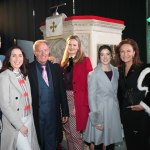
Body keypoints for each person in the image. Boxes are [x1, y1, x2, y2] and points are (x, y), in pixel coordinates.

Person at [28, 39, 69, 150]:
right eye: (40, 51)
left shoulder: (56, 68)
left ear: (49, 51)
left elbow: (62, 91)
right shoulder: (28, 69)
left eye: (45, 50)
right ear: (35, 53)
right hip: (36, 114)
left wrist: (65, 111)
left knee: (52, 143)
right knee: (38, 143)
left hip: (53, 114)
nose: (43, 53)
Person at [0, 46, 40, 150]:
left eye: (20, 55)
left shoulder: (24, 75)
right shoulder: (4, 76)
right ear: (9, 59)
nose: (17, 59)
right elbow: (4, 105)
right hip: (15, 122)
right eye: (14, 56)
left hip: (28, 118)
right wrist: (20, 126)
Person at [84, 45, 123, 150]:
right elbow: (91, 97)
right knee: (98, 142)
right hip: (100, 112)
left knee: (111, 143)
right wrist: (96, 119)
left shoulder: (116, 71)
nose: (105, 57)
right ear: (99, 57)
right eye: (102, 54)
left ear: (111, 56)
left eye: (107, 54)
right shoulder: (93, 74)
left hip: (113, 111)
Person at [60, 35, 93, 149]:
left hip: (76, 100)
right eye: (70, 44)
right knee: (68, 134)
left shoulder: (85, 61)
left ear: (79, 47)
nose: (72, 47)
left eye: (75, 45)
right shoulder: (63, 62)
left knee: (75, 134)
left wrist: (78, 105)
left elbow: (90, 85)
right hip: (64, 100)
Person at [116, 38, 150, 150]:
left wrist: (144, 105)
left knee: (141, 145)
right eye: (122, 51)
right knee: (130, 144)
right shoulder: (119, 70)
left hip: (141, 115)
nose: (125, 54)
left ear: (134, 52)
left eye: (128, 51)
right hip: (126, 114)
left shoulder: (143, 69)